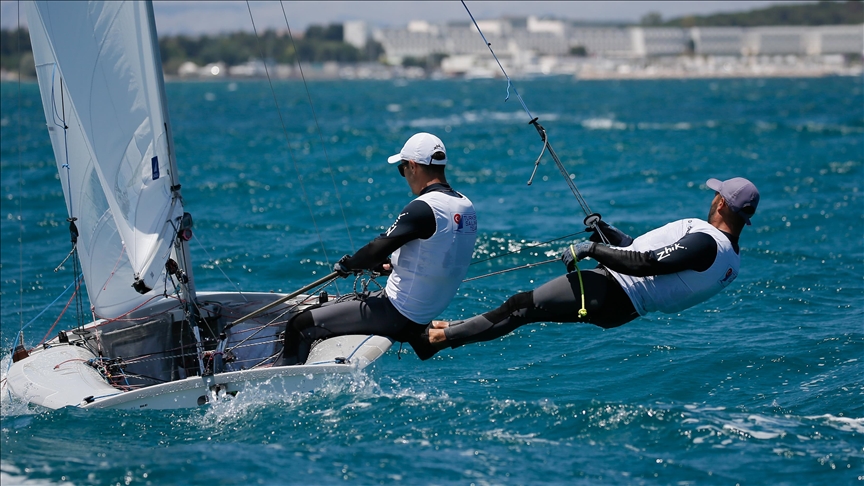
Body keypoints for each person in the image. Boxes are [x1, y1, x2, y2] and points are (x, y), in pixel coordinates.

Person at [425, 177, 760, 354]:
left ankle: (438, 339)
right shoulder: (731, 260)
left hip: (612, 290)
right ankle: (445, 329)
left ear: (720, 202)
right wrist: (608, 232)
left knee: (520, 306)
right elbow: (640, 251)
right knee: (523, 312)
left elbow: (645, 265)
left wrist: (593, 249)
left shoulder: (706, 242)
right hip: (622, 307)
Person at [280, 132, 478, 364]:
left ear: (413, 166)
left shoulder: (424, 207)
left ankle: (284, 379)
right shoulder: (465, 206)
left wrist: (348, 265)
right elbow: (440, 257)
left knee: (300, 324)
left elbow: (376, 249)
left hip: (398, 312)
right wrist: (391, 266)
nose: (404, 175)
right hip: (423, 312)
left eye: (402, 168)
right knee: (331, 306)